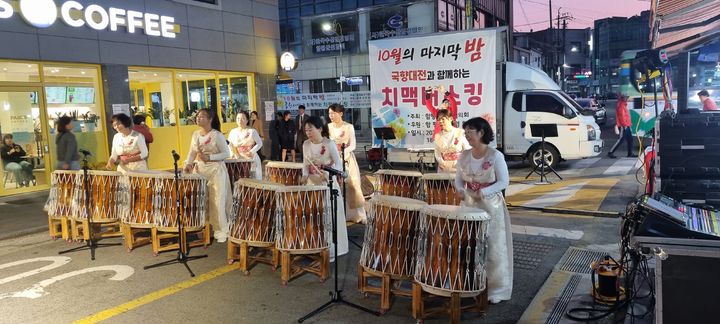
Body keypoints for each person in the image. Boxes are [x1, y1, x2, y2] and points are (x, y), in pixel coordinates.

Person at [453, 116, 512, 304]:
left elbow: (504, 182)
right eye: (466, 131)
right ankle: (470, 283)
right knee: (469, 243)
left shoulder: (495, 156)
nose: (467, 134)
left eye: (471, 130)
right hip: (469, 203)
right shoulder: (464, 155)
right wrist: (460, 190)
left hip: (490, 205)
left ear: (482, 132)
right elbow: (458, 179)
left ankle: (496, 288)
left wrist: (484, 192)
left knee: (493, 246)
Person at [302, 116, 349, 259]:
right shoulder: (305, 144)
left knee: (329, 215)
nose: (308, 133)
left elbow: (339, 165)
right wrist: (304, 175)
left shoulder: (329, 144)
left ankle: (334, 249)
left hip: (327, 183)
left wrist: (327, 171)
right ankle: (316, 247)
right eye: (306, 130)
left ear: (320, 129)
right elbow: (305, 163)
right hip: (312, 184)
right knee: (315, 215)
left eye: (311, 129)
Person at [183, 108, 232, 243]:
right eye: (198, 116)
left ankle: (221, 229)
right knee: (203, 200)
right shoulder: (195, 134)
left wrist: (209, 157)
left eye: (202, 117)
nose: (199, 118)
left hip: (216, 170)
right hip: (200, 170)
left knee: (217, 200)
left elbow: (226, 154)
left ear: (210, 119)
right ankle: (206, 228)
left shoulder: (217, 135)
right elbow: (192, 152)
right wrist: (189, 163)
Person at [327, 103, 367, 224]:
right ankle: (340, 214)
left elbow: (353, 144)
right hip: (333, 160)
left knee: (354, 186)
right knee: (336, 187)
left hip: (347, 159)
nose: (331, 116)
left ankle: (359, 215)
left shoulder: (349, 127)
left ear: (340, 114)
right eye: (329, 114)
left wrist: (342, 151)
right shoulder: (328, 127)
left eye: (333, 113)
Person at [228, 111, 263, 180]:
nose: (240, 121)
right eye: (238, 118)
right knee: (238, 178)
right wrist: (233, 153)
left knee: (253, 178)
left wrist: (251, 152)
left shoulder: (252, 131)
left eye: (243, 118)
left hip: (250, 157)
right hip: (237, 157)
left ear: (247, 120)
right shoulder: (233, 131)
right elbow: (230, 144)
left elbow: (259, 143)